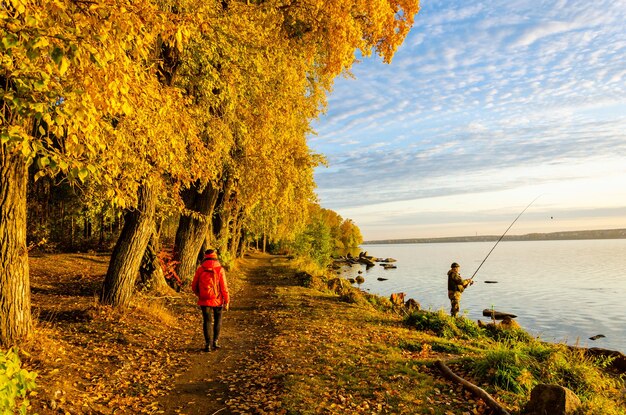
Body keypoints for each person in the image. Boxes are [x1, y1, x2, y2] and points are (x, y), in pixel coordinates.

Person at [191, 249, 230, 352]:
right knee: (218, 320)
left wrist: (200, 295)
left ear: (205, 256)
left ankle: (208, 344)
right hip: (217, 299)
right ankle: (215, 342)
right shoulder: (219, 269)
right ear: (215, 256)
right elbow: (224, 287)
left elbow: (194, 285)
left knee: (207, 321)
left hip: (204, 300)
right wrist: (227, 300)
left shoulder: (200, 269)